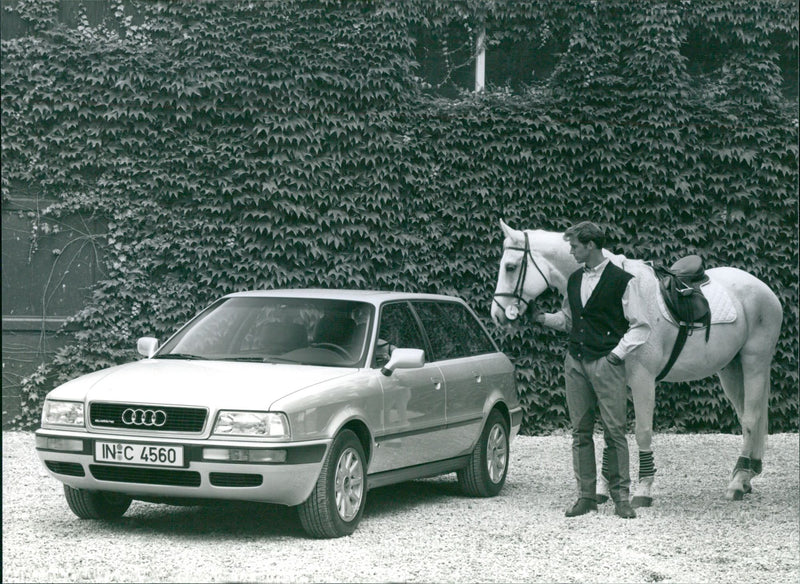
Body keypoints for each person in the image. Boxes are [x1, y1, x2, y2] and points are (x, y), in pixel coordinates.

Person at [534, 221, 649, 519]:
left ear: (591, 245)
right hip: (575, 361)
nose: (571, 251)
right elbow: (569, 321)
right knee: (580, 431)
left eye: (574, 246)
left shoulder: (623, 281)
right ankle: (586, 496)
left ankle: (621, 498)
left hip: (606, 362)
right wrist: (542, 318)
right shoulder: (574, 280)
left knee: (615, 432)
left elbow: (640, 326)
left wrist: (616, 356)